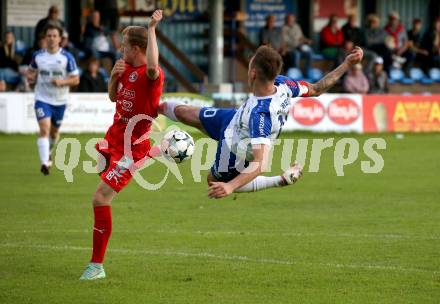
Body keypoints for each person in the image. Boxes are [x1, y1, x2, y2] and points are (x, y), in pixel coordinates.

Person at [159, 45, 363, 199]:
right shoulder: (283, 83)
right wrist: (347, 64)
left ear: (253, 73)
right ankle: (149, 106)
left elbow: (260, 164)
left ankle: (281, 180)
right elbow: (317, 88)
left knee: (214, 181)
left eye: (249, 66)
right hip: (233, 120)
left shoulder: (260, 116)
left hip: (236, 150)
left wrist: (230, 187)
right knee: (187, 113)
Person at [79, 10, 165, 280]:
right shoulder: (125, 68)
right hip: (113, 139)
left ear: (137, 48)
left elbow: (152, 65)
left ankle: (96, 266)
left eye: (125, 46)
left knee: (100, 197)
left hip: (131, 149)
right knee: (101, 181)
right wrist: (113, 78)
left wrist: (151, 28)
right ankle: (155, 152)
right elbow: (113, 98)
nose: (120, 50)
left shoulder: (151, 75)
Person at [26, 24, 80, 175]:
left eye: (54, 36)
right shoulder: (38, 56)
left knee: (54, 133)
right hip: (42, 98)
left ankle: (48, 151)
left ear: (60, 39)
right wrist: (30, 78)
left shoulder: (66, 58)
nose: (51, 39)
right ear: (45, 38)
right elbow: (30, 72)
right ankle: (45, 163)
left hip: (60, 100)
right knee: (44, 129)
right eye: (48, 36)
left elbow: (76, 80)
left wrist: (62, 82)